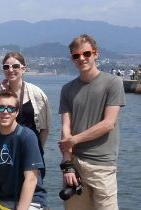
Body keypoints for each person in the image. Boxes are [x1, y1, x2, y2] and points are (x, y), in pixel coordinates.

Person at [58, 34, 125, 210]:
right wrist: (67, 165)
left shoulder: (113, 83)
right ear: (72, 59)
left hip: (102, 166)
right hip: (75, 165)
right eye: (76, 55)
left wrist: (75, 140)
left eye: (86, 53)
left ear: (96, 54)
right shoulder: (67, 89)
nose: (82, 58)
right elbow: (66, 128)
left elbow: (108, 123)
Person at [0, 89, 47, 210]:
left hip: (32, 200)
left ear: (17, 112)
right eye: (1, 108)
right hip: (3, 197)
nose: (5, 112)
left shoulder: (27, 137)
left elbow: (31, 179)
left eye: (10, 108)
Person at [0, 52, 51, 178]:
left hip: (32, 149)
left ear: (24, 68)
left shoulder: (36, 93)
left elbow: (44, 128)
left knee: (34, 190)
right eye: (6, 67)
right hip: (9, 149)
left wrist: (39, 150)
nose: (11, 70)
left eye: (15, 66)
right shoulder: (1, 95)